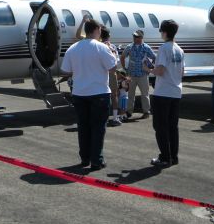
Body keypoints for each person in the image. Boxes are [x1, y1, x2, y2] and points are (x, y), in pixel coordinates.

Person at [61, 19, 117, 170]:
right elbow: (113, 68)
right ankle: (97, 160)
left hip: (79, 93)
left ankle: (84, 159)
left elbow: (65, 70)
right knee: (98, 128)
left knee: (83, 127)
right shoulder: (101, 47)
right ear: (97, 30)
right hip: (99, 93)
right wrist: (112, 53)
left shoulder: (72, 48)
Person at [145, 20, 185, 167]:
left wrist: (148, 69)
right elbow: (182, 72)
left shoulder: (164, 48)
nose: (161, 33)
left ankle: (164, 157)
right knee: (173, 127)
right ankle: (173, 157)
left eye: (161, 31)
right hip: (176, 92)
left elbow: (160, 71)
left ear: (165, 32)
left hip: (163, 93)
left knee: (160, 127)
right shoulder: (179, 50)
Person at [120, 29, 156, 119]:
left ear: (141, 37)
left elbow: (154, 57)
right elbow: (123, 57)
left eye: (137, 37)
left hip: (143, 75)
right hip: (131, 75)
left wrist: (149, 67)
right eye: (134, 36)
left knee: (145, 94)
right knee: (131, 94)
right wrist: (125, 69)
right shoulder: (129, 47)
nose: (135, 38)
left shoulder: (146, 47)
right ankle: (129, 111)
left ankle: (146, 111)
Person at [101, 26, 122, 126]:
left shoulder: (98, 46)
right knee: (114, 95)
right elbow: (116, 61)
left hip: (100, 74)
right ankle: (114, 117)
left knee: (101, 96)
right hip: (112, 73)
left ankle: (102, 119)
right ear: (109, 35)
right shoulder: (112, 47)